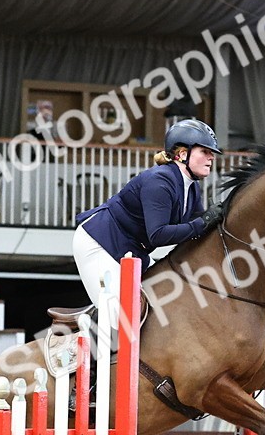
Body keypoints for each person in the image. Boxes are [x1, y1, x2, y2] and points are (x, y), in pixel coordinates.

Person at [72, 119, 225, 329]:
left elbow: (197, 228)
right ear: (181, 154)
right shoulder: (160, 181)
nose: (211, 157)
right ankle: (77, 356)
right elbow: (159, 234)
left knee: (166, 298)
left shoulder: (191, 188)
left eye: (211, 153)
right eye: (204, 151)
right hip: (99, 243)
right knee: (121, 316)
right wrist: (202, 223)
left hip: (132, 251)